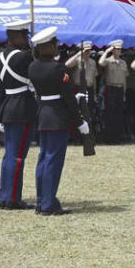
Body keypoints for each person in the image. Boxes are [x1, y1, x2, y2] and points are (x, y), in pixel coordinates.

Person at [28, 27, 90, 216]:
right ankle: (48, 204)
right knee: (53, 161)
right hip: (57, 117)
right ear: (46, 47)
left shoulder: (33, 67)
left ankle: (42, 200)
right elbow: (68, 98)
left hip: (43, 115)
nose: (57, 47)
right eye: (54, 44)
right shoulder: (58, 68)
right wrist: (80, 121)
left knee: (43, 159)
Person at [0, 19, 37, 210]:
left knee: (9, 155)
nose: (27, 39)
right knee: (17, 156)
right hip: (22, 108)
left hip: (8, 106)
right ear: (17, 37)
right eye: (25, 36)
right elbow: (35, 77)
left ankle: (5, 195)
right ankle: (12, 199)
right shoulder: (23, 57)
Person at [99, 40, 130, 143]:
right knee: (110, 113)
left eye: (120, 49)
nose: (119, 51)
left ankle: (118, 137)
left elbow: (124, 79)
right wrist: (107, 51)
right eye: (117, 49)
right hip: (111, 88)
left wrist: (124, 93)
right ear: (113, 50)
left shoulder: (123, 63)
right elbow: (100, 62)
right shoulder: (108, 60)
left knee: (119, 113)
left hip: (120, 89)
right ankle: (109, 137)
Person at [65, 41, 99, 133]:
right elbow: (67, 64)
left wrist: (95, 93)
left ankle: (88, 134)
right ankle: (77, 136)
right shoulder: (77, 60)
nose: (87, 53)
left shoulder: (93, 62)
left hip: (89, 88)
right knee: (78, 112)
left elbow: (94, 78)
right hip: (79, 88)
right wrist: (78, 54)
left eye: (89, 51)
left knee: (89, 112)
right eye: (85, 50)